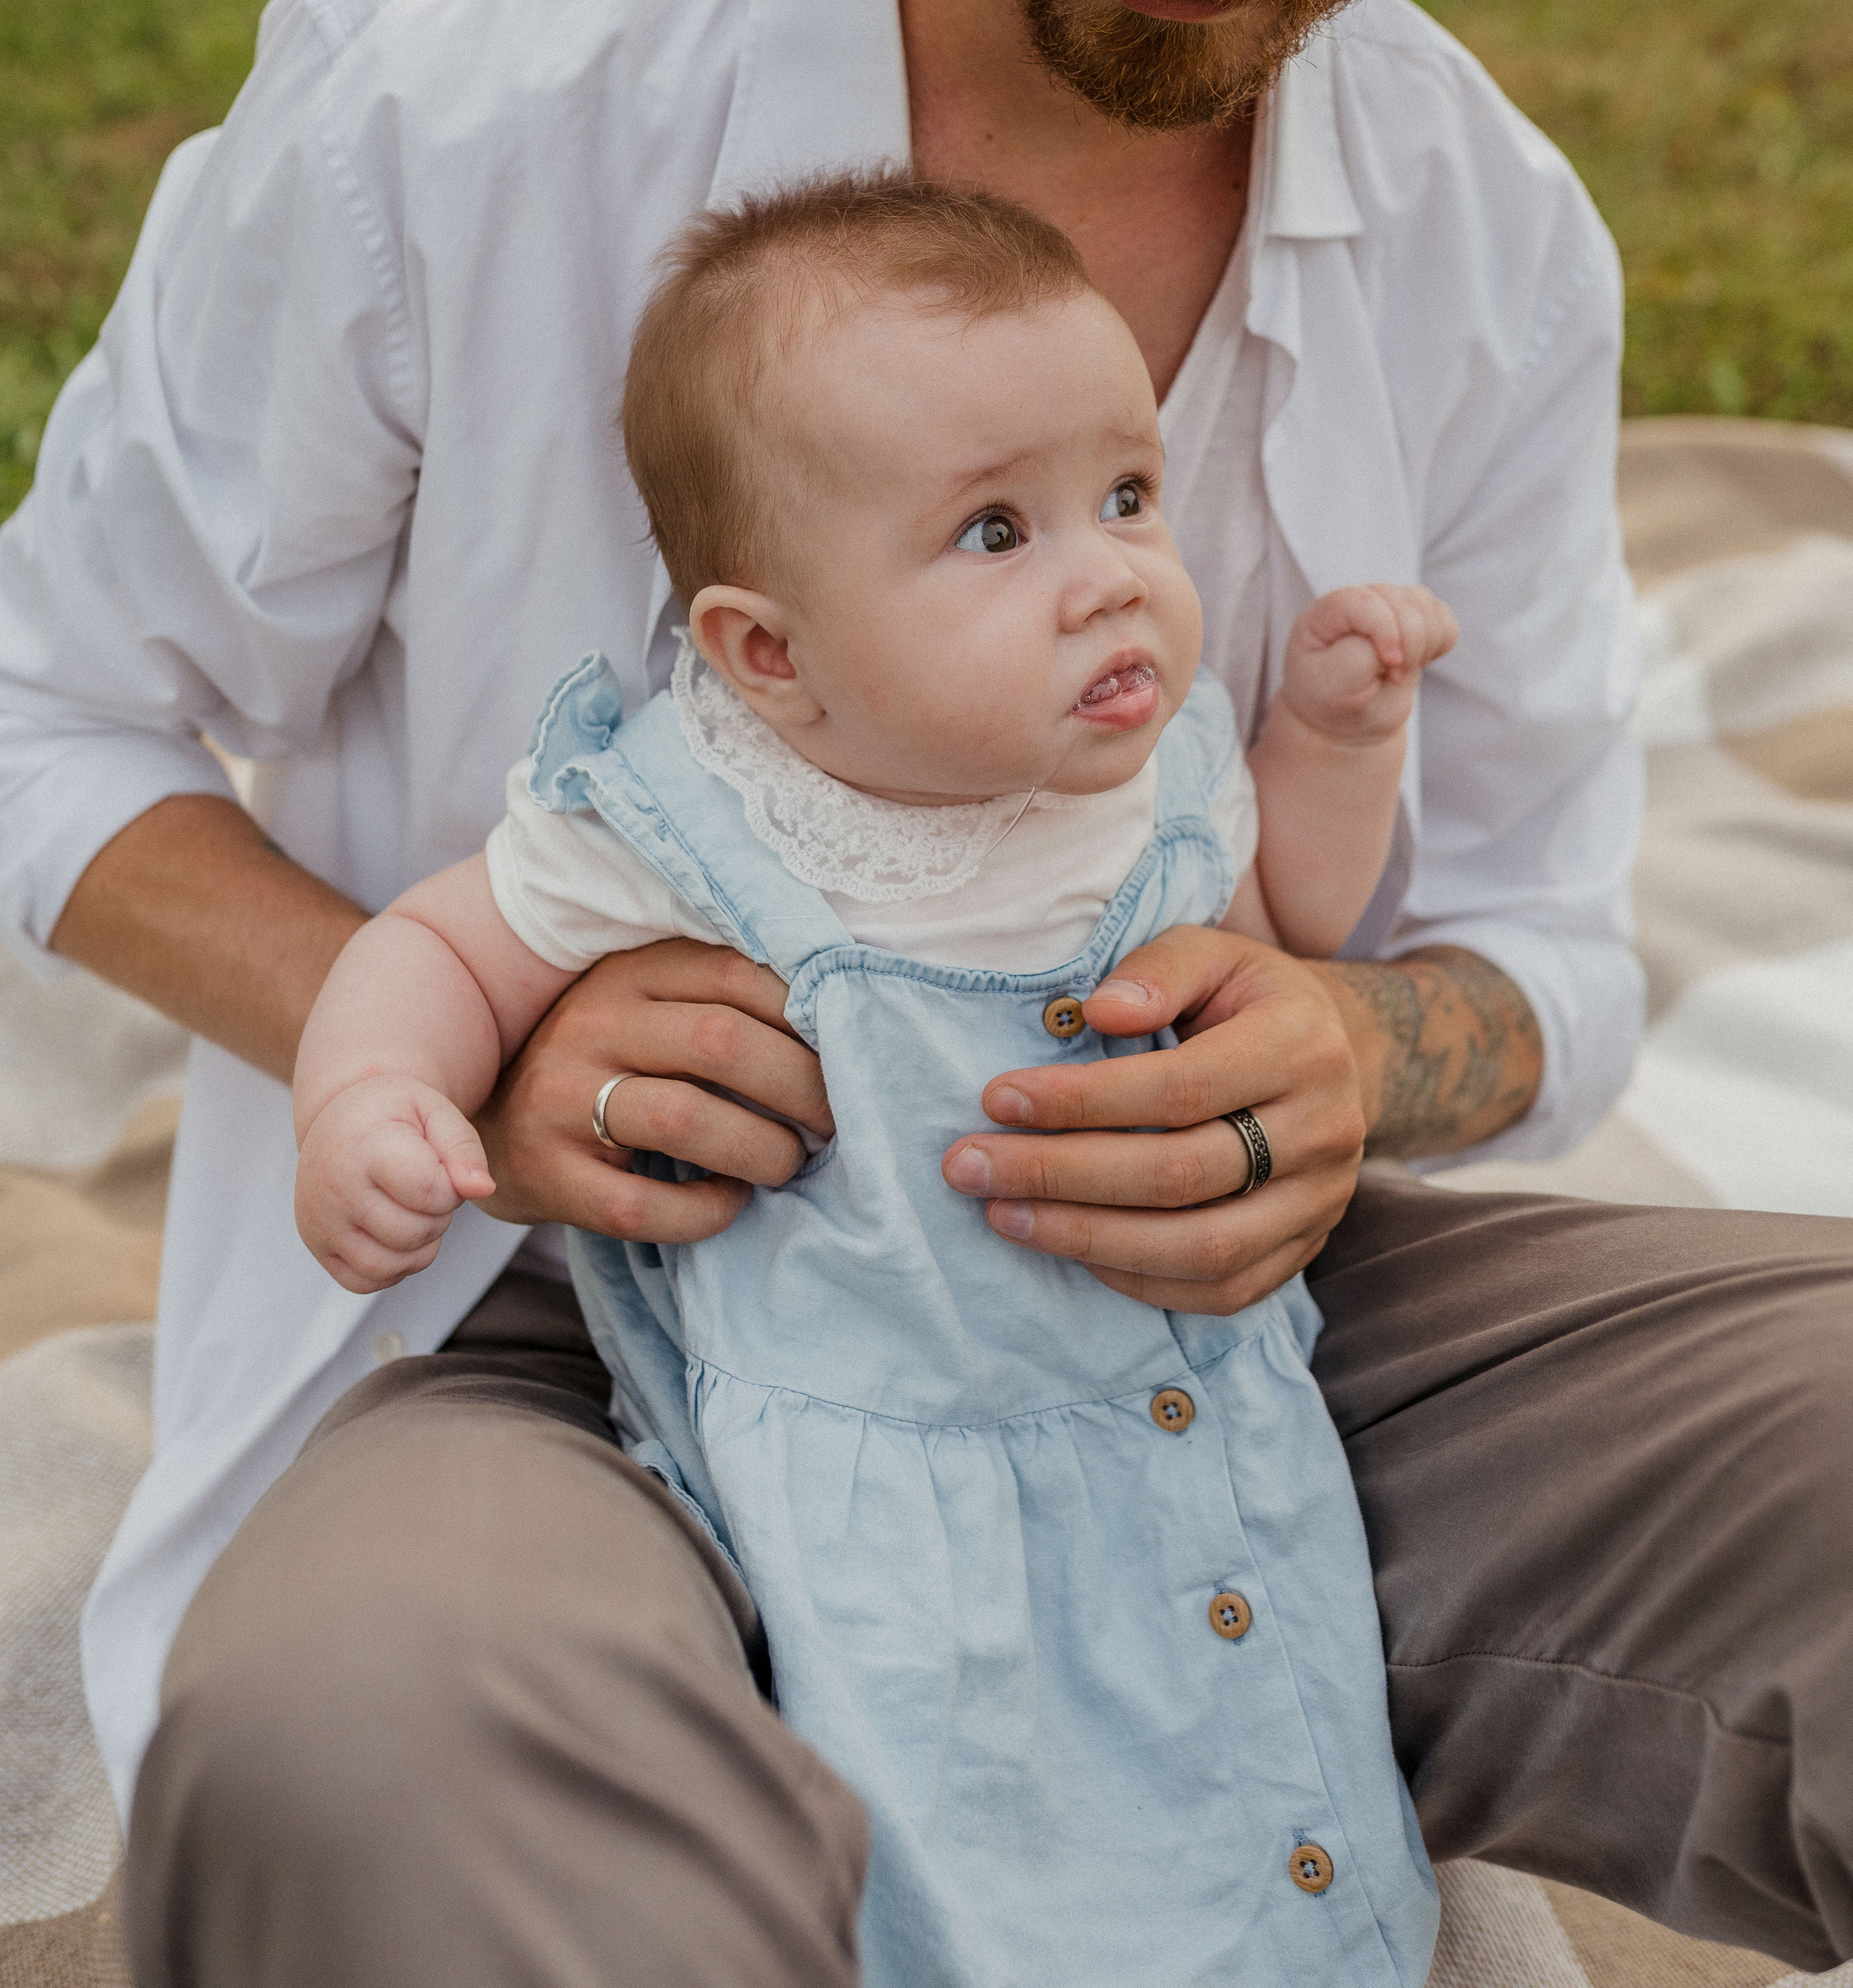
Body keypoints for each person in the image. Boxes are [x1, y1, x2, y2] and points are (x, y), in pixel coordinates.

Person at [0, 0, 1845, 1979]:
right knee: (366, 1763)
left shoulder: (1492, 248)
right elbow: (43, 714)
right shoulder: (442, 111)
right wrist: (469, 1047)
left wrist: (1349, 1050)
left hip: (1225, 1361)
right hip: (560, 1353)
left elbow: (1546, 960)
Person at [290, 172, 1461, 1987]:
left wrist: (1332, 740)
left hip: (1194, 1412)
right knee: (956, 1845)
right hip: (875, 1478)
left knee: (1255, 1783)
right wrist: (370, 1101)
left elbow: (1285, 912)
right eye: (995, 533)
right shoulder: (703, 811)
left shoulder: (1144, 774)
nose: (1108, 576)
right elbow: (448, 948)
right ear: (771, 655)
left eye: (1127, 496)